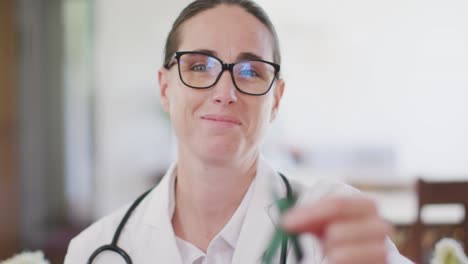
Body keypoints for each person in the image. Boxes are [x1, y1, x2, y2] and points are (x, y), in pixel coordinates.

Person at [65, 0, 413, 263]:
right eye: (199, 66)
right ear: (165, 88)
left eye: (250, 71)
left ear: (275, 99)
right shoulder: (93, 250)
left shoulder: (335, 229)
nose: (225, 92)